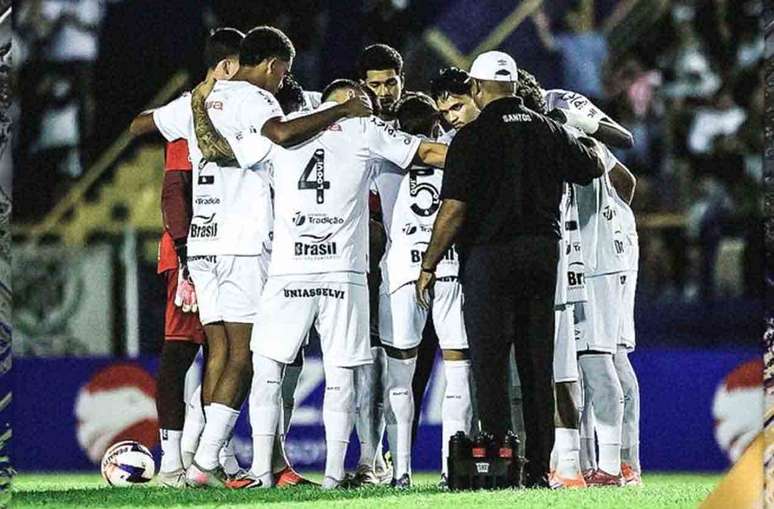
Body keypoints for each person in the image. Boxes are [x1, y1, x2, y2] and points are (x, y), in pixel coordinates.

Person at [192, 78, 446, 489]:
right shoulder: (365, 127)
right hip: (342, 272)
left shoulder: (282, 129)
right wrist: (486, 152)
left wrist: (201, 107)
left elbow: (215, 151)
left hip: (289, 269)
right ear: (351, 102)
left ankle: (260, 472)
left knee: (267, 371)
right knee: (341, 374)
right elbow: (429, 152)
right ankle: (331, 477)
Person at [146, 25, 371, 488]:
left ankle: (199, 458)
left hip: (204, 245)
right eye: (281, 73)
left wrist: (199, 105)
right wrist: (343, 109)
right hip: (243, 243)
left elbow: (139, 125)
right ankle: (205, 464)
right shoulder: (257, 99)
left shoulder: (200, 100)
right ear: (272, 65)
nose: (280, 82)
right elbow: (283, 133)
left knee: (219, 354)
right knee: (245, 357)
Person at [416, 50, 605, 488]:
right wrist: (585, 134)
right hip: (542, 256)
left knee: (490, 363)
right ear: (516, 87)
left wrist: (429, 263)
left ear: (478, 89)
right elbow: (591, 166)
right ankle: (539, 470)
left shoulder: (472, 137)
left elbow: (453, 210)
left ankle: (502, 462)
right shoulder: (548, 130)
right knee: (537, 363)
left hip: (487, 258)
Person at [128, 27, 244, 488]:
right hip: (192, 253)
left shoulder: (237, 112)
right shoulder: (191, 115)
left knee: (230, 353)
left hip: (232, 248)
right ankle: (174, 460)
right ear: (229, 66)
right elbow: (176, 190)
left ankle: (211, 454)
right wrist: (185, 255)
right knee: (181, 354)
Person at [387, 94, 472, 488]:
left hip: (403, 271)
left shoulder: (384, 158)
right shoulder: (456, 157)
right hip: (449, 267)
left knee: (400, 375)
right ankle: (449, 471)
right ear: (436, 126)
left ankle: (399, 472)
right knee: (457, 369)